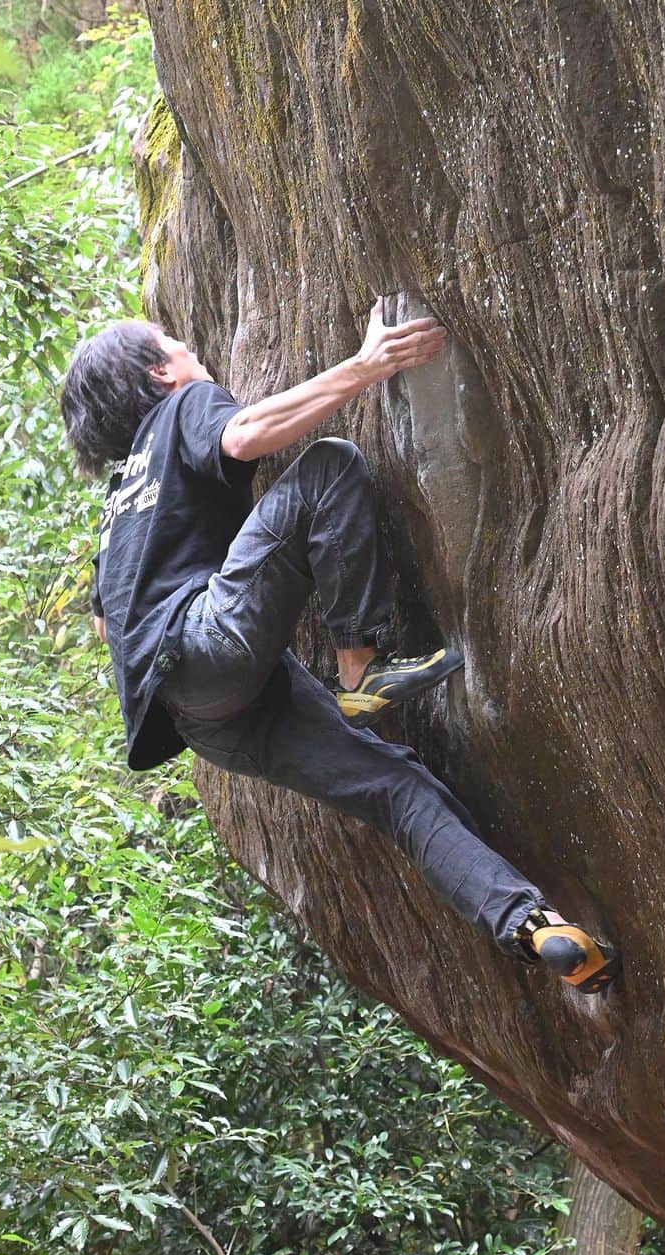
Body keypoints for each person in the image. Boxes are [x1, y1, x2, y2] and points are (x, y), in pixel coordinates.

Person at [59, 301, 620, 995]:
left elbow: (109, 628)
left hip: (202, 716)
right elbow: (243, 436)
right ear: (159, 372)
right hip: (208, 642)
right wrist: (368, 364)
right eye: (175, 343)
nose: (192, 351)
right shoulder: (182, 408)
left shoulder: (117, 508)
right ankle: (361, 667)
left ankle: (534, 927)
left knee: (394, 787)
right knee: (327, 466)